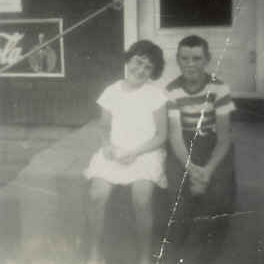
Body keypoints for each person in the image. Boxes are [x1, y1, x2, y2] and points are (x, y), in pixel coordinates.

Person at [83, 40, 168, 264]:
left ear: (153, 72)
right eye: (137, 62)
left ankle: (143, 256)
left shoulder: (155, 94)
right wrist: (106, 146)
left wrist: (137, 152)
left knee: (141, 197)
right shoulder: (111, 91)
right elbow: (104, 127)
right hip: (115, 150)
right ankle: (95, 251)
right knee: (96, 194)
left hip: (146, 152)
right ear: (128, 60)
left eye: (147, 67)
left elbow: (161, 135)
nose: (140, 70)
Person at [166, 35, 236, 264]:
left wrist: (207, 170)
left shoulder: (219, 87)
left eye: (197, 58)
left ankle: (208, 253)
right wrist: (190, 167)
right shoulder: (172, 90)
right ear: (178, 60)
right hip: (184, 143)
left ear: (207, 60)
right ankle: (178, 248)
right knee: (175, 188)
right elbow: (175, 135)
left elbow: (225, 138)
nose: (190, 63)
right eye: (184, 58)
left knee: (220, 191)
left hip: (212, 142)